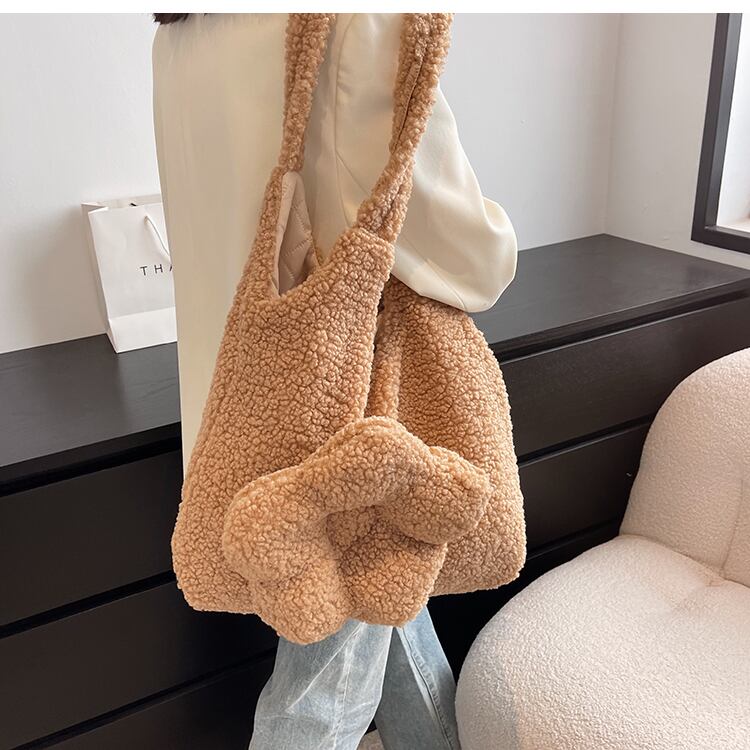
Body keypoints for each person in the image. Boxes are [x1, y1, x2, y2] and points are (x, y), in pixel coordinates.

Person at [152, 13, 517, 750]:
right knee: (317, 701)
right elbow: (471, 259)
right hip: (343, 429)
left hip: (239, 405)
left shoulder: (180, 31)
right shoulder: (356, 17)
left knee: (383, 611)